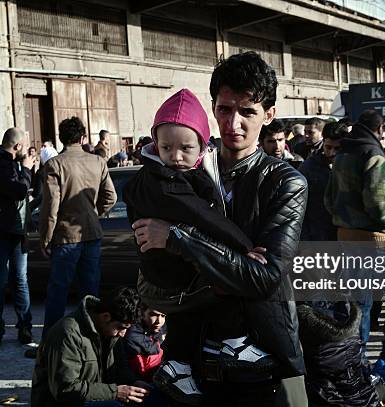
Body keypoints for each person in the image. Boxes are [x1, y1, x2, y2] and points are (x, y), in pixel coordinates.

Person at [130, 51, 308, 406]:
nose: (234, 124)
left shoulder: (285, 182)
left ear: (269, 115)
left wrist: (178, 239)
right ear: (213, 108)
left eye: (248, 112)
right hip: (189, 360)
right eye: (225, 110)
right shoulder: (184, 165)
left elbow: (263, 277)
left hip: (259, 360)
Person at [325, 109, 385, 363]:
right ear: (380, 130)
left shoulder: (343, 153)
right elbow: (379, 202)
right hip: (374, 238)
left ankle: (358, 361)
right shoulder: (373, 154)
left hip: (346, 235)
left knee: (361, 300)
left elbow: (329, 199)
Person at [39, 117, 117, 339]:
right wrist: (95, 214)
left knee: (58, 292)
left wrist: (45, 238)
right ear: (83, 138)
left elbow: (50, 208)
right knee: (90, 292)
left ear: (61, 138)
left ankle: (51, 342)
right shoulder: (98, 162)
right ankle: (92, 338)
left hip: (65, 236)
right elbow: (110, 197)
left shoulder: (55, 165)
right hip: (91, 234)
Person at [31, 287, 155, 406]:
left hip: (95, 398)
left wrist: (133, 382)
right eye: (121, 328)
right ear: (106, 316)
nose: (123, 334)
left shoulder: (112, 333)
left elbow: (120, 369)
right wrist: (115, 392)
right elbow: (65, 389)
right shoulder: (67, 334)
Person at [0, 127, 35, 349]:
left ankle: (19, 328)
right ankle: (0, 331)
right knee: (5, 282)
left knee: (12, 282)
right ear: (18, 146)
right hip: (3, 232)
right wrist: (27, 170)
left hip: (10, 230)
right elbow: (19, 191)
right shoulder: (1, 165)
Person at [299, 121, 346, 241]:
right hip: (318, 236)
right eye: (328, 147)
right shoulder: (308, 168)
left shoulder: (352, 167)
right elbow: (298, 207)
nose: (332, 153)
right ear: (323, 142)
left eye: (337, 148)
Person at [121, 304, 166, 383]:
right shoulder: (132, 335)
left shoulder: (159, 329)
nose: (159, 321)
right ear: (142, 313)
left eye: (163, 316)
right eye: (153, 315)